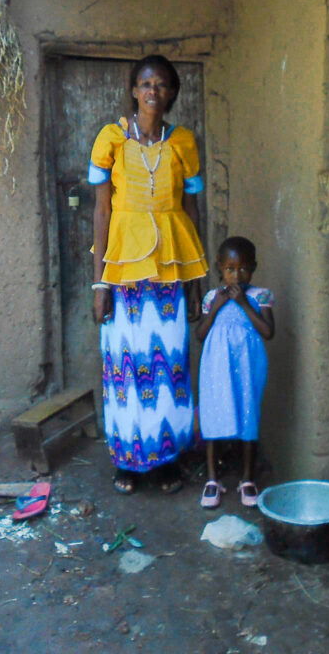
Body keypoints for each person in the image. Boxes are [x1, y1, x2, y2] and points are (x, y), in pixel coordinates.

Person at [89, 55, 207, 495]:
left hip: (171, 271)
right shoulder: (112, 140)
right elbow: (102, 212)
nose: (152, 91)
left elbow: (192, 211)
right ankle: (127, 460)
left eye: (161, 84)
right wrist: (100, 282)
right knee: (125, 365)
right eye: (144, 83)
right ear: (134, 91)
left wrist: (197, 282)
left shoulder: (183, 144)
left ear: (172, 92)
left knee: (168, 365)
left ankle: (166, 460)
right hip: (123, 274)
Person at [194, 235, 275, 509]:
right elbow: (200, 334)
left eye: (243, 269)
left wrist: (242, 303)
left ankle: (247, 479)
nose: (236, 275)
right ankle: (212, 479)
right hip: (216, 367)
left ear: (253, 267)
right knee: (214, 417)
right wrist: (216, 308)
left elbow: (267, 331)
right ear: (220, 268)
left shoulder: (259, 296)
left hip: (248, 366)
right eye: (230, 269)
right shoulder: (211, 297)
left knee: (248, 415)